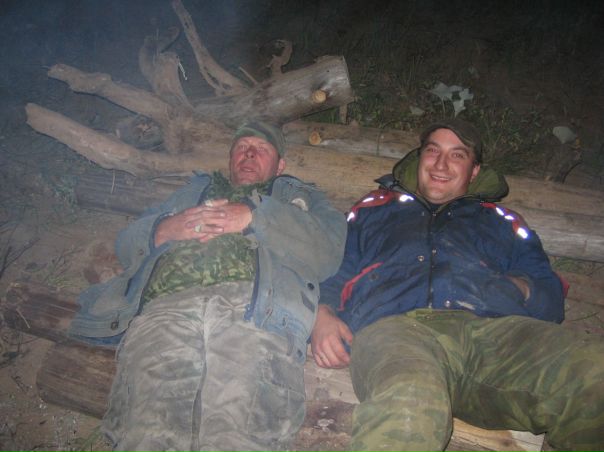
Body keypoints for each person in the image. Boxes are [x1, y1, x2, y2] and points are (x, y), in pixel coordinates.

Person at [311, 118, 604, 452]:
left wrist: (519, 287)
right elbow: (333, 268)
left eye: (457, 155)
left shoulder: (501, 220)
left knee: (594, 370)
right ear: (419, 157)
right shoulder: (372, 210)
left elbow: (549, 299)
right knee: (410, 401)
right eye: (432, 151)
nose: (441, 164)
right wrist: (321, 313)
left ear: (474, 170)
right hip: (395, 330)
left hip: (492, 336)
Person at [69, 121, 347, 451]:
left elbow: (329, 251)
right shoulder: (192, 191)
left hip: (255, 313)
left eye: (261, 149)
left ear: (280, 165)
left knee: (237, 434)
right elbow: (127, 241)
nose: (249, 154)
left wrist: (253, 218)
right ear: (230, 159)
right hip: (165, 309)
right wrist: (162, 229)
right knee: (147, 432)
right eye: (242, 147)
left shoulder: (300, 198)